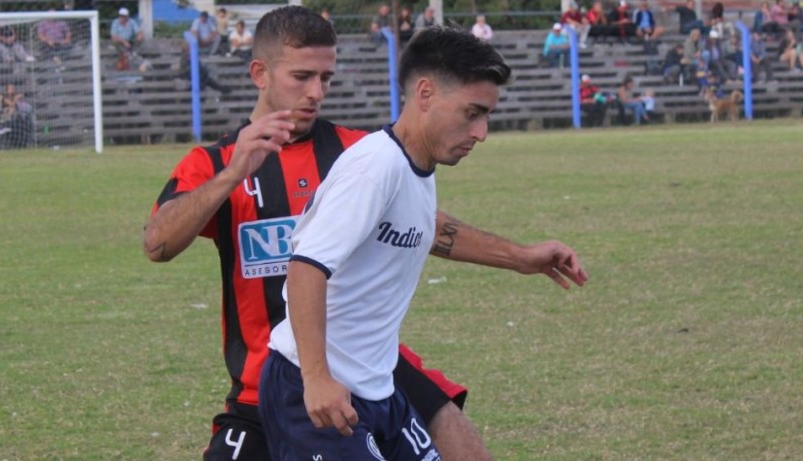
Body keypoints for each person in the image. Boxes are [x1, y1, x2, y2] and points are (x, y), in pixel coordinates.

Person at [146, 6, 558, 461]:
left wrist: (519, 257)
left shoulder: (354, 151)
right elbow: (157, 244)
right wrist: (232, 175)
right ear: (259, 73)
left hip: (367, 365)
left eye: (326, 78)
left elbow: (424, 227)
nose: (316, 92)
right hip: (272, 378)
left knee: (453, 430)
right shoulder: (216, 162)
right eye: (302, 76)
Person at [259, 26, 586, 460]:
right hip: (312, 390)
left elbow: (425, 230)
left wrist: (521, 258)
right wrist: (317, 379)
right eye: (473, 113)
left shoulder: (415, 165)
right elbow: (304, 267)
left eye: (487, 115)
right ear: (426, 94)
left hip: (377, 389)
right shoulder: (375, 168)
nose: (482, 131)